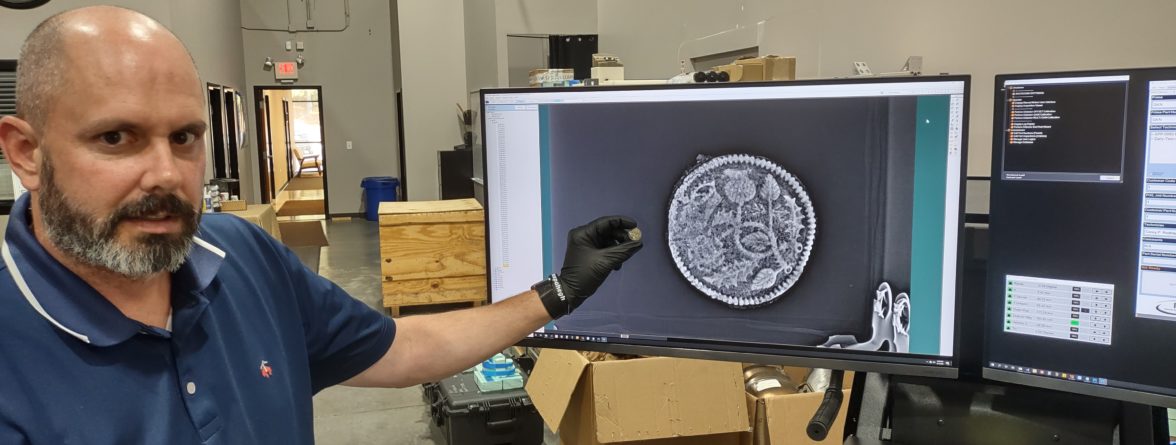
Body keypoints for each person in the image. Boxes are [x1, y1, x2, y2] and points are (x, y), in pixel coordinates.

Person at [0, 6, 643, 444]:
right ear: (25, 152)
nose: (166, 174)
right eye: (117, 137)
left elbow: (401, 348)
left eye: (185, 137)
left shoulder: (241, 257)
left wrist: (559, 292)